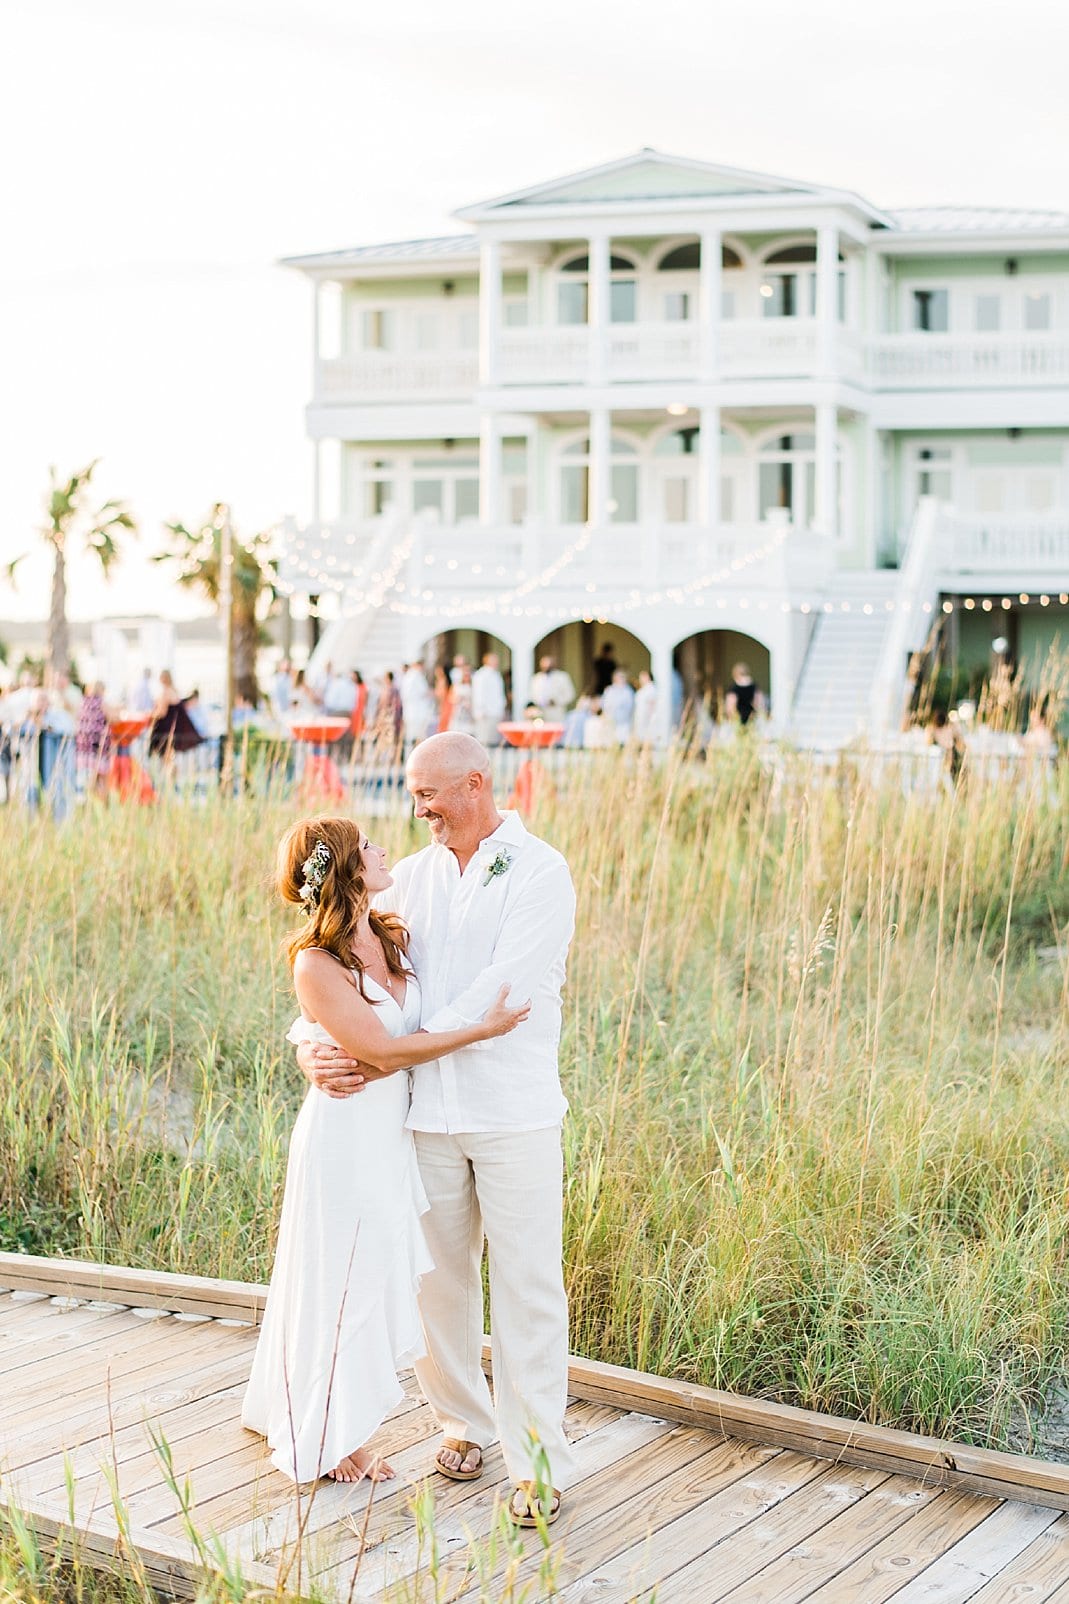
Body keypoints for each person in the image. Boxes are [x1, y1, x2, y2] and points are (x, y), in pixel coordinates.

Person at [296, 732, 578, 1526]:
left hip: (512, 1109)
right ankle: (462, 1422)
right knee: (436, 1284)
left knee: (527, 1285)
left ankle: (538, 1460)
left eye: (429, 795)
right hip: (422, 1116)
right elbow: (348, 976)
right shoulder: (409, 880)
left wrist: (381, 1058)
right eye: (414, 796)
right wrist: (316, 1051)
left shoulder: (539, 871)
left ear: (476, 785)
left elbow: (504, 989)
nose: (417, 810)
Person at [242, 815, 529, 1485]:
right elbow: (380, 1049)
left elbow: (371, 1042)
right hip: (344, 1137)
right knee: (342, 1279)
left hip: (392, 1133)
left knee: (374, 1274)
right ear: (345, 869)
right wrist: (481, 1030)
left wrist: (306, 1048)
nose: (381, 848)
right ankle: (332, 1435)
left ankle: (340, 1417)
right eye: (367, 846)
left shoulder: (391, 934)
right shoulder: (315, 961)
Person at [75, 681, 115, 798]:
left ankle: (88, 800)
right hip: (98, 744)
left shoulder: (83, 702)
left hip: (84, 745)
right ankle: (103, 802)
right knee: (101, 775)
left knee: (89, 775)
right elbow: (113, 718)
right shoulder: (102, 702)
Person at [471, 652, 507, 746]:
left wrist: (502, 708)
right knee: (485, 739)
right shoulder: (481, 675)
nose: (496, 662)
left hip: (496, 711)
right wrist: (481, 710)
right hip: (485, 713)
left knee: (494, 739)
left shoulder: (496, 674)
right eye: (494, 660)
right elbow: (478, 693)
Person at [529, 655, 576, 720]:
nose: (546, 667)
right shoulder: (536, 678)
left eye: (548, 666)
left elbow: (570, 694)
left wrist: (556, 701)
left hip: (557, 713)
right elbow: (533, 695)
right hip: (540, 713)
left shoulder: (562, 677)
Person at [601, 669, 635, 744]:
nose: (622, 679)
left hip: (624, 722)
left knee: (623, 741)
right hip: (611, 722)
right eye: (620, 677)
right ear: (615, 678)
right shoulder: (609, 690)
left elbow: (630, 706)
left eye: (623, 677)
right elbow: (605, 705)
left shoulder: (628, 691)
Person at [448, 665, 476, 736]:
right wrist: (458, 699)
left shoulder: (473, 686)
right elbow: (451, 699)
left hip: (470, 713)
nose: (467, 676)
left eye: (468, 675)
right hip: (458, 713)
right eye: (465, 675)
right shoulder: (456, 686)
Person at [632, 669, 658, 746]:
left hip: (646, 719)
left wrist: (650, 718)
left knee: (646, 738)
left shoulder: (651, 689)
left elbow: (652, 704)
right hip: (641, 718)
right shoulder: (644, 689)